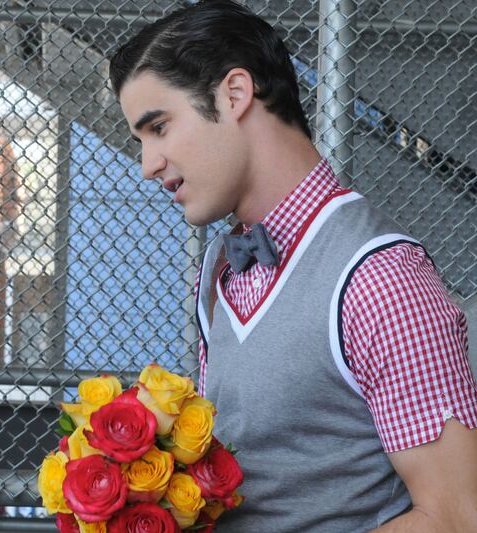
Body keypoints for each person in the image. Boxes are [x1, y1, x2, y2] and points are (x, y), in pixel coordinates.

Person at [109, 1, 477, 531]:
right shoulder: (220, 266)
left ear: (235, 94)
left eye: (159, 127)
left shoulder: (381, 276)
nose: (147, 165)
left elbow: (456, 517)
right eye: (140, 140)